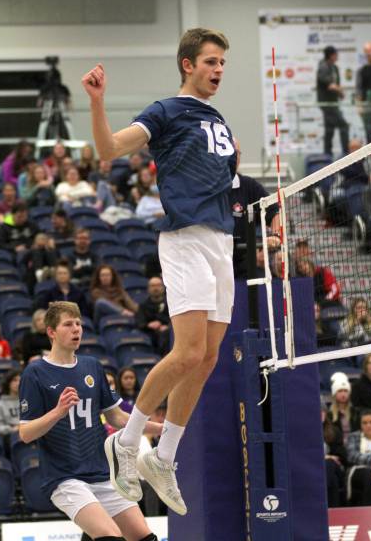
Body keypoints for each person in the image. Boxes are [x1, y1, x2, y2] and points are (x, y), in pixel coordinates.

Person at [82, 27, 237, 515]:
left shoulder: (220, 120)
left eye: (223, 63)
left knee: (208, 357)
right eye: (210, 61)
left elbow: (227, 182)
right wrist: (97, 102)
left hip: (221, 241)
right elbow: (109, 150)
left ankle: (164, 455)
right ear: (187, 64)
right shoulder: (167, 110)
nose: (218, 70)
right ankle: (126, 440)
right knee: (187, 349)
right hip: (185, 238)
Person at [18, 301, 160, 541]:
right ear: (51, 332)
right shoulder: (35, 373)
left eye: (79, 324)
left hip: (102, 474)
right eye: (68, 324)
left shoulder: (92, 366)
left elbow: (118, 417)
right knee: (110, 536)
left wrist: (160, 428)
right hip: (64, 477)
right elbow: (26, 433)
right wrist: (57, 412)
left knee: (145, 537)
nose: (76, 329)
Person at [229, 139, 280, 278]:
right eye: (230, 153)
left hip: (245, 261)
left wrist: (275, 237)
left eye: (236, 153)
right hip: (215, 260)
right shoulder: (208, 187)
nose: (233, 157)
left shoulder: (249, 186)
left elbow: (274, 211)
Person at [316, 45, 349, 156]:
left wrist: (339, 93)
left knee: (329, 130)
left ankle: (327, 155)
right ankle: (346, 154)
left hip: (333, 102)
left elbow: (336, 84)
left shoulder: (335, 67)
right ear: (331, 55)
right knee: (343, 125)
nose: (337, 56)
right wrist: (340, 91)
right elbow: (330, 85)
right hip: (327, 103)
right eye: (335, 54)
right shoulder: (323, 66)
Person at [346, 410, 371, 506]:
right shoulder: (353, 437)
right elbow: (352, 456)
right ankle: (370, 511)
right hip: (359, 470)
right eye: (364, 423)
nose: (368, 425)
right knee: (370, 473)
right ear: (360, 425)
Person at [135, 277, 170, 355]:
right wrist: (148, 325)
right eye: (153, 286)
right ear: (148, 288)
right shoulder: (143, 305)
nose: (156, 288)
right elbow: (139, 322)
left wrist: (167, 326)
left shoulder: (170, 304)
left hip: (167, 333)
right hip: (150, 333)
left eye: (158, 285)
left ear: (163, 288)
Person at [328, 372, 360, 443]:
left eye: (345, 391)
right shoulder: (329, 414)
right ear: (334, 394)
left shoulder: (355, 412)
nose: (343, 394)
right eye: (340, 391)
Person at [0, 370, 21, 438]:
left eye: (20, 380)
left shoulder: (28, 401)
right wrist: (12, 429)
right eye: (15, 380)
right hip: (10, 437)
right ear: (8, 383)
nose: (18, 383)